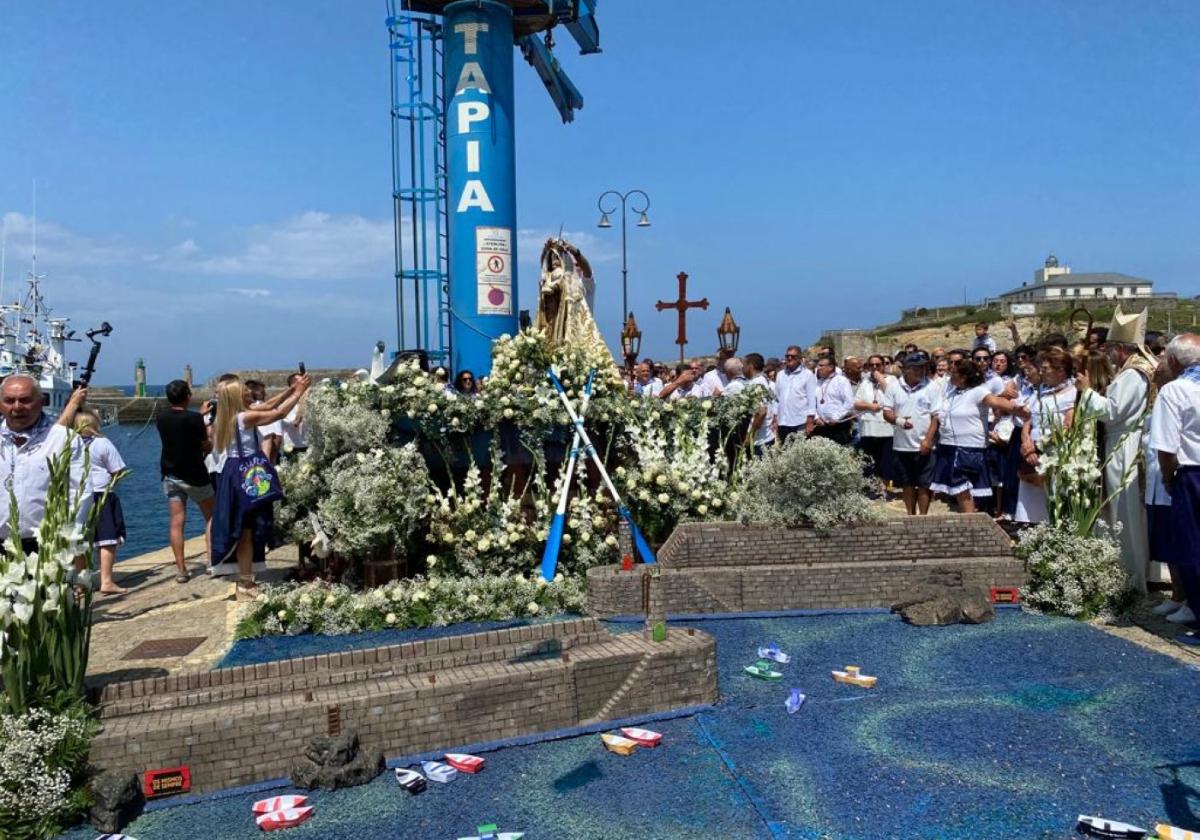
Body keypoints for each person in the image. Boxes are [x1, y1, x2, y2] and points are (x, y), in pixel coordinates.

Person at [210, 373, 311, 598]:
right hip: (247, 472)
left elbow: (268, 404)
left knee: (245, 527)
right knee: (247, 527)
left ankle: (245, 578)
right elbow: (279, 413)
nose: (248, 392)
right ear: (236, 396)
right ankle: (246, 581)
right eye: (243, 391)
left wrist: (291, 389)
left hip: (233, 470)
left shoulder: (227, 417)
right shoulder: (244, 418)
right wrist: (299, 392)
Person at [1077, 309, 1157, 592]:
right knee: (1125, 511)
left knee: (1126, 513)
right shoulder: (1134, 371)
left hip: (1124, 445)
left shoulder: (1133, 375)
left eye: (1111, 348)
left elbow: (1112, 412)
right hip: (1124, 441)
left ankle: (1130, 577)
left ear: (1122, 348)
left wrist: (1087, 391)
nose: (1109, 354)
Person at [0, 376, 90, 554]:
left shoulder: (63, 439)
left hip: (46, 547)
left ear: (42, 401)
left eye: (25, 400)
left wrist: (68, 540)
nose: (17, 407)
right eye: (9, 401)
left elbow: (80, 491)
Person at [1149, 333, 1200, 637]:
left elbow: (1166, 447)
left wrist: (1168, 478)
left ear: (1172, 361)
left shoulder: (1175, 391)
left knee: (1192, 545)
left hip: (1192, 473)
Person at [922, 359, 1016, 513]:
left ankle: (971, 521)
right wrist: (929, 439)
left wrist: (1015, 408)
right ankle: (970, 519)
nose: (950, 374)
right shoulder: (951, 391)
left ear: (963, 377)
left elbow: (995, 401)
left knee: (962, 486)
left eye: (954, 372)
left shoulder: (978, 391)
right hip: (949, 446)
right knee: (959, 490)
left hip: (968, 448)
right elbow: (938, 415)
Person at [158, 379, 216, 583]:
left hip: (170, 475)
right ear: (188, 396)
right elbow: (206, 446)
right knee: (211, 516)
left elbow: (180, 426)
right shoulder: (194, 419)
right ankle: (211, 562)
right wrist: (204, 419)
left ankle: (181, 570)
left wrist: (199, 417)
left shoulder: (162, 417)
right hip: (194, 475)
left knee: (176, 522)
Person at [1014, 348, 1077, 524]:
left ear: (1061, 369)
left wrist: (1038, 446)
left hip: (1054, 452)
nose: (1041, 371)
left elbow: (1067, 426)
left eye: (1046, 368)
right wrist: (1026, 443)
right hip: (1031, 452)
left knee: (1052, 497)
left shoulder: (1073, 393)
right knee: (1031, 500)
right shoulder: (1040, 390)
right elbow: (1029, 420)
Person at [1145, 363, 1187, 621]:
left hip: (1169, 480)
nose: (1154, 374)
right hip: (1154, 482)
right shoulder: (1159, 399)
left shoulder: (1176, 397)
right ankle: (1177, 595)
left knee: (1177, 543)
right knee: (1165, 545)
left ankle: (1187, 597)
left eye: (1159, 371)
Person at [74, 409, 129, 595]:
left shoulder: (69, 443)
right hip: (101, 493)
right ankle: (106, 581)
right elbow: (117, 469)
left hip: (77, 496)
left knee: (78, 541)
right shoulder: (102, 443)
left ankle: (80, 583)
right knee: (107, 539)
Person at [883, 352, 937, 515]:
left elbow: (935, 417)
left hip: (924, 445)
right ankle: (910, 515)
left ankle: (923, 517)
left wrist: (928, 440)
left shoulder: (932, 386)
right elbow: (887, 412)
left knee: (924, 484)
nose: (920, 371)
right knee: (906, 483)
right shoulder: (893, 387)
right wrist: (899, 421)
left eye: (923, 367)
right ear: (906, 369)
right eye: (916, 368)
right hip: (902, 445)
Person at [854, 354, 895, 495]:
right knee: (870, 459)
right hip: (868, 427)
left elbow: (893, 396)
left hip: (886, 427)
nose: (875, 367)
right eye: (871, 365)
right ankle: (872, 487)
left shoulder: (892, 379)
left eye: (878, 364)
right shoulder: (865, 382)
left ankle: (884, 488)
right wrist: (869, 406)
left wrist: (880, 379)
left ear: (884, 365)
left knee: (885, 459)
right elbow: (856, 403)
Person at [774, 345, 817, 444]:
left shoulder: (807, 375)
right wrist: (775, 417)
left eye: (793, 356)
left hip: (800, 421)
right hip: (782, 421)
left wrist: (810, 422)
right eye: (787, 356)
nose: (789, 358)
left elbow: (811, 400)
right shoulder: (780, 375)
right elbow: (776, 398)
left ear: (799, 358)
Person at [811, 356, 855, 445]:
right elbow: (812, 402)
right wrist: (816, 417)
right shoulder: (818, 383)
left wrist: (836, 417)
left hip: (838, 426)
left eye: (821, 365)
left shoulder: (841, 381)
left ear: (831, 367)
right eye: (818, 366)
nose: (818, 368)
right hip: (821, 426)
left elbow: (849, 403)